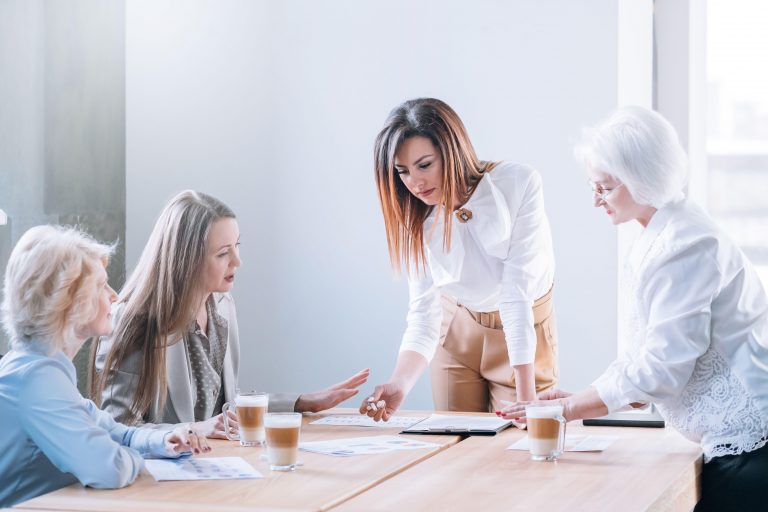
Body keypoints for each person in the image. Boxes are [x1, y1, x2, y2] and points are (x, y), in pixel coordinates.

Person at [500, 106, 768, 511]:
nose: (595, 201)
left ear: (642, 178)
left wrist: (565, 409)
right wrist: (585, 397)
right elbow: (652, 358)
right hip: (731, 444)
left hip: (747, 447)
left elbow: (662, 369)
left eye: (604, 188)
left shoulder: (684, 246)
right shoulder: (665, 231)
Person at [92, 190, 368, 436]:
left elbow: (225, 403)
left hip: (212, 468)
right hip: (158, 481)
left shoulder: (222, 306)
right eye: (223, 253)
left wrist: (302, 402)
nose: (238, 261)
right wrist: (195, 429)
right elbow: (116, 427)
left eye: (237, 246)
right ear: (186, 259)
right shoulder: (131, 320)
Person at [361, 98, 558, 421]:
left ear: (451, 150)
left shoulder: (517, 183)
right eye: (403, 172)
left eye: (424, 165)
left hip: (524, 328)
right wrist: (400, 382)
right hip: (456, 329)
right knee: (455, 444)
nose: (415, 183)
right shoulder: (416, 216)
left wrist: (528, 399)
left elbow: (516, 289)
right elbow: (424, 313)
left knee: (518, 449)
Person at [0, 226, 206, 507]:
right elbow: (109, 469)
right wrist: (142, 462)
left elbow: (114, 431)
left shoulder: (39, 368)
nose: (115, 295)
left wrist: (161, 442)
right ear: (69, 301)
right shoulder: (36, 380)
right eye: (100, 286)